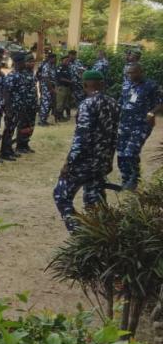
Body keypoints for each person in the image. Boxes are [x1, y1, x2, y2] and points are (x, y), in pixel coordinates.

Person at [53, 70, 119, 231]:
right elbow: (115, 135)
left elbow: (81, 139)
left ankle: (78, 231)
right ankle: (101, 235)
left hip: (84, 162)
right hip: (102, 161)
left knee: (61, 195)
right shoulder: (114, 103)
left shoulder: (87, 104)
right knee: (94, 200)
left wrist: (68, 163)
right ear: (102, 84)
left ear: (84, 85)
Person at [116, 63, 162, 190]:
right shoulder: (126, 84)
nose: (131, 75)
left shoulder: (151, 85)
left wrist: (152, 112)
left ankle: (135, 177)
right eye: (129, 73)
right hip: (124, 123)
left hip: (141, 124)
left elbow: (160, 102)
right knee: (121, 153)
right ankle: (126, 179)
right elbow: (121, 101)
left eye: (133, 72)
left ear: (141, 72)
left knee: (131, 152)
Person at [0, 53, 27, 160]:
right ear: (18, 63)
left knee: (12, 130)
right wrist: (8, 109)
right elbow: (6, 93)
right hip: (12, 108)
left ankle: (9, 149)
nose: (25, 64)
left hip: (18, 108)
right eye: (23, 62)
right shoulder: (12, 76)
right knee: (8, 130)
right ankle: (4, 152)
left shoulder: (20, 74)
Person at [16, 53, 38, 154]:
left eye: (33, 62)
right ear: (25, 63)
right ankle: (20, 145)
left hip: (32, 105)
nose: (32, 64)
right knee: (23, 125)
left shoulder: (31, 74)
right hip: (25, 105)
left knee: (30, 125)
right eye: (30, 62)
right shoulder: (23, 74)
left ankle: (26, 144)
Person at [36, 52, 57, 126]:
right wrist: (51, 89)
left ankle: (44, 120)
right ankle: (41, 121)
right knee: (45, 104)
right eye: (54, 58)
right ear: (51, 59)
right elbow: (46, 78)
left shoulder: (52, 66)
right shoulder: (46, 66)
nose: (55, 60)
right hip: (47, 88)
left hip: (51, 87)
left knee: (49, 104)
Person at [55, 54, 74, 121]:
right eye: (66, 60)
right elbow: (60, 78)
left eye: (68, 61)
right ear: (62, 60)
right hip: (61, 87)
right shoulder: (59, 68)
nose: (67, 62)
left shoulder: (68, 68)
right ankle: (58, 117)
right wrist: (70, 81)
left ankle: (62, 116)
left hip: (67, 87)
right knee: (60, 103)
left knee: (66, 102)